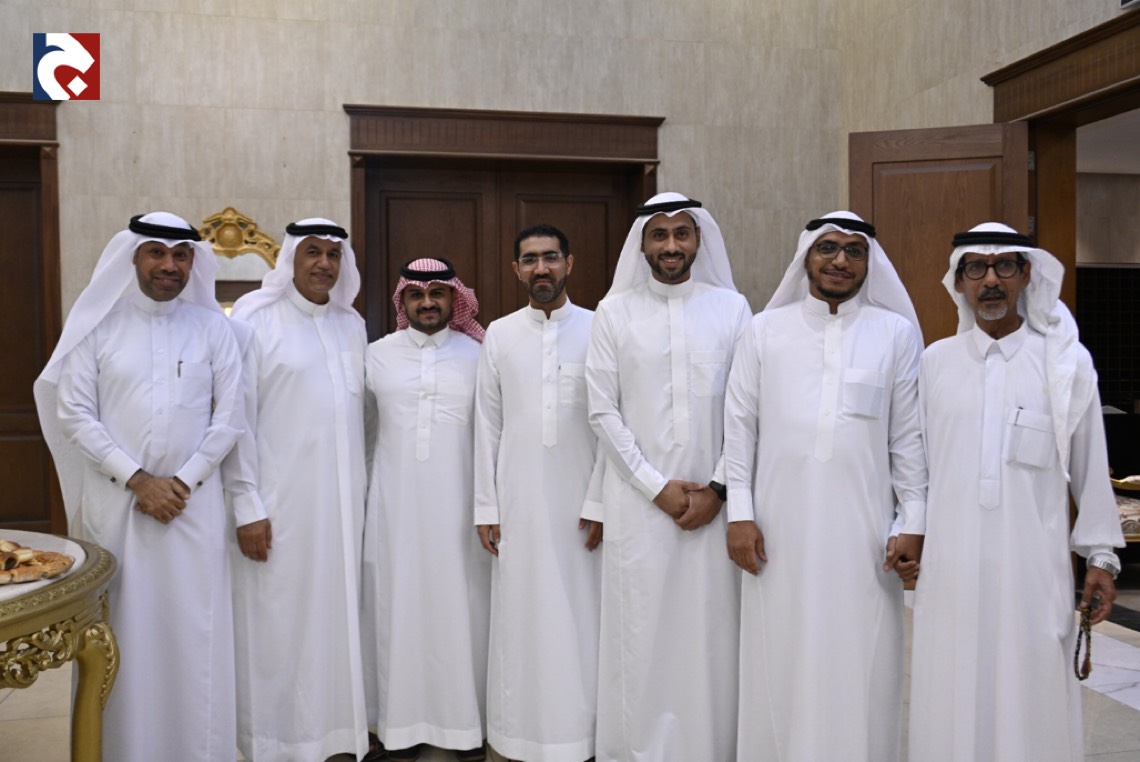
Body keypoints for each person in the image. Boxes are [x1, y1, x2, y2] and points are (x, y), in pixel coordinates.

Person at [909, 223, 1125, 762]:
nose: (991, 280)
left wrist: (1100, 555)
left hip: (1033, 571)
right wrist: (907, 531)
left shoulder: (1065, 364)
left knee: (1032, 689)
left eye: (1004, 265)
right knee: (952, 686)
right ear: (959, 282)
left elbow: (1090, 464)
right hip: (952, 571)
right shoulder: (935, 362)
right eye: (976, 268)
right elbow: (915, 466)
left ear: (1026, 275)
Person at [33, 212, 242, 762]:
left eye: (180, 256)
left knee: (193, 636)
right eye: (157, 253)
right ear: (134, 257)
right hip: (118, 510)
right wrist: (140, 480)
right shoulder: (98, 326)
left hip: (193, 510)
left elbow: (230, 419)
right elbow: (74, 414)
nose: (169, 265)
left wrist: (182, 482)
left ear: (192, 263)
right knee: (119, 634)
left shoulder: (213, 329)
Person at [723, 212, 926, 762]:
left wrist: (913, 521)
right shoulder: (764, 330)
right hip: (776, 532)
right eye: (828, 248)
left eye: (854, 251)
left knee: (862, 656)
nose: (840, 260)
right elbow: (739, 430)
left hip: (864, 535)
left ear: (869, 263)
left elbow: (908, 439)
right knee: (779, 652)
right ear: (806, 258)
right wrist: (739, 514)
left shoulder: (894, 334)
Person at [585, 192, 751, 761]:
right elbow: (602, 411)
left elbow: (746, 411)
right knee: (642, 634)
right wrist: (655, 486)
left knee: (710, 634)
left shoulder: (732, 310)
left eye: (682, 233)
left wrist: (718, 489)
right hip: (639, 505)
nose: (672, 245)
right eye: (659, 234)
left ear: (699, 239)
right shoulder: (614, 313)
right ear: (643, 244)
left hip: (716, 506)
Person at [223, 219, 370, 761]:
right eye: (312, 252)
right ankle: (274, 742)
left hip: (342, 510)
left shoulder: (351, 324)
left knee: (334, 623)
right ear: (290, 259)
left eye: (333, 254)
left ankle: (332, 737)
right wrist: (246, 505)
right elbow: (235, 421)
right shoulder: (254, 321)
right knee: (278, 625)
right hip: (277, 506)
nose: (324, 264)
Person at [474, 224, 602, 762]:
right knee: (523, 616)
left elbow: (612, 423)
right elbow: (488, 424)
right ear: (516, 270)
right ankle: (520, 736)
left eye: (551, 257)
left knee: (584, 618)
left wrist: (600, 502)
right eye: (530, 260)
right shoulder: (500, 334)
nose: (541, 268)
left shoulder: (600, 327)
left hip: (584, 505)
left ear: (570, 263)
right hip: (518, 501)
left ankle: (584, 738)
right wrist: (487, 505)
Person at [360, 257, 490, 762]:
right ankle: (400, 728)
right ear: (403, 301)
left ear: (455, 298)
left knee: (463, 614)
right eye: (416, 294)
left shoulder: (481, 354)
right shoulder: (375, 356)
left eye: (438, 293)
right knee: (398, 613)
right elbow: (364, 435)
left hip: (462, 515)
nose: (428, 302)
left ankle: (464, 729)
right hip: (393, 512)